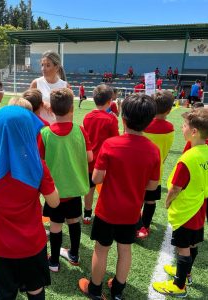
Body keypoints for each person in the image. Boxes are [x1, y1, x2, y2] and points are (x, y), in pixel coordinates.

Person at [79, 93, 160, 300]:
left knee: (101, 249)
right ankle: (117, 292)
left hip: (107, 210)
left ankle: (95, 290)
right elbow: (152, 185)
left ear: (122, 119)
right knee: (125, 250)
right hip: (132, 211)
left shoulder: (111, 145)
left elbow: (96, 178)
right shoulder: (153, 150)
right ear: (149, 122)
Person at [0, 105, 59, 300]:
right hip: (31, 243)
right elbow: (54, 202)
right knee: (35, 289)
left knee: (4, 292)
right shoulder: (37, 165)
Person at [153, 108, 208, 298]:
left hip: (186, 210)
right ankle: (187, 273)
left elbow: (175, 188)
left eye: (184, 126)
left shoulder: (188, 158)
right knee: (193, 244)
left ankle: (179, 285)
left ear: (194, 132)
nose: (181, 128)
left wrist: (168, 202)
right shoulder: (206, 152)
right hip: (200, 207)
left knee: (183, 248)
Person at [38, 88, 92, 272]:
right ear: (72, 109)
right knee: (74, 221)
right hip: (74, 189)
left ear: (51, 110)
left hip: (53, 191)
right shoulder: (80, 131)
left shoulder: (44, 133)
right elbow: (90, 157)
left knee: (55, 225)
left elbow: (40, 161)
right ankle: (74, 254)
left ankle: (53, 261)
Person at [136, 91, 175, 239]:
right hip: (156, 171)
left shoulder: (143, 125)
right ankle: (146, 225)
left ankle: (136, 223)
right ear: (169, 110)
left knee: (137, 198)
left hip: (139, 170)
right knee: (150, 200)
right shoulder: (170, 128)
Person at [82, 85, 119, 224]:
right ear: (110, 101)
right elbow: (115, 140)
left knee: (89, 189)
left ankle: (87, 214)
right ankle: (106, 213)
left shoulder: (87, 117)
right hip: (105, 161)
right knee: (107, 189)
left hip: (89, 160)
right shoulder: (111, 119)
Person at [30, 50, 69, 124]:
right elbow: (28, 107)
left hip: (57, 130)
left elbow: (69, 112)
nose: (43, 69)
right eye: (42, 65)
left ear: (56, 67)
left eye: (48, 65)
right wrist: (42, 103)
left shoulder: (65, 86)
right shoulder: (36, 83)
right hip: (39, 129)